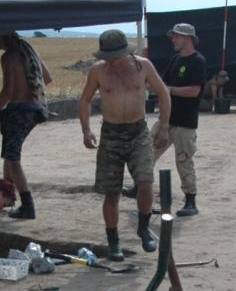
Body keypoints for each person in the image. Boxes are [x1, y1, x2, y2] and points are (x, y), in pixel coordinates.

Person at [79, 29, 171, 260]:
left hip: (137, 131)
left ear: (126, 52)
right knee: (111, 193)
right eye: (107, 56)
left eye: (116, 55)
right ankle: (113, 241)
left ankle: (143, 227)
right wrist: (86, 129)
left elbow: (163, 92)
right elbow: (85, 99)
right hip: (111, 134)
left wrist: (164, 125)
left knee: (145, 182)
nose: (112, 60)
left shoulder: (143, 66)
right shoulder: (98, 70)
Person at [0, 31, 54, 221]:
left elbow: (8, 90)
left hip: (19, 110)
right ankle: (6, 196)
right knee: (9, 154)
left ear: (2, 37)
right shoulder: (28, 51)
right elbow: (47, 78)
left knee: (13, 159)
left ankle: (27, 205)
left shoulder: (9, 57)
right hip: (35, 109)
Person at [160, 22, 205, 216]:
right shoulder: (175, 60)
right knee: (147, 154)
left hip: (185, 121)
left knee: (184, 161)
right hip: (166, 119)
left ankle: (190, 201)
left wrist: (169, 90)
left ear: (187, 38)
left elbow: (194, 91)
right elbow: (163, 83)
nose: (173, 39)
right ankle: (140, 189)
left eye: (176, 36)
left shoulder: (198, 61)